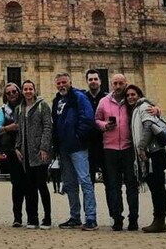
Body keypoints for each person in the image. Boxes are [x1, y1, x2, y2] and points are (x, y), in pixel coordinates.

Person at [52, 72, 98, 231]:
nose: (61, 85)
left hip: (78, 147)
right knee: (70, 184)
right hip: (64, 149)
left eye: (64, 82)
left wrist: (79, 136)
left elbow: (87, 118)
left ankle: (91, 217)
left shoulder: (79, 97)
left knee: (85, 181)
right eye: (58, 83)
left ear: (70, 82)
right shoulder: (57, 100)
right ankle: (75, 217)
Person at [94, 73, 139, 231]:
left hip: (128, 149)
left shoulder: (131, 100)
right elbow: (96, 120)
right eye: (115, 83)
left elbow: (145, 106)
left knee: (132, 185)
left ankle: (133, 218)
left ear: (125, 83)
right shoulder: (103, 101)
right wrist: (105, 125)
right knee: (113, 186)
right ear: (111, 85)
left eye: (121, 83)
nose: (118, 86)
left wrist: (156, 108)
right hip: (109, 149)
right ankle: (117, 218)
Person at [127, 84, 166, 233]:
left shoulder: (144, 107)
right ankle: (159, 220)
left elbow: (148, 126)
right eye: (128, 95)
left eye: (133, 94)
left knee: (158, 188)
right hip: (151, 153)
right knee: (156, 188)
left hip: (153, 154)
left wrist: (141, 147)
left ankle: (160, 221)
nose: (130, 97)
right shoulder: (138, 108)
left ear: (139, 94)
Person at [15, 79, 53, 229]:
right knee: (29, 187)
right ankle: (33, 217)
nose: (28, 91)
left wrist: (44, 148)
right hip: (25, 153)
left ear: (34, 90)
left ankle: (47, 217)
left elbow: (48, 127)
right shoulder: (20, 108)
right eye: (25, 89)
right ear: (22, 92)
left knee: (41, 185)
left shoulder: (42, 105)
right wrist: (17, 147)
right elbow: (19, 130)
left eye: (30, 89)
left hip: (39, 152)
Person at [0, 82, 25, 226]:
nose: (12, 94)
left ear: (19, 92)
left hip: (29, 149)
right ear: (5, 95)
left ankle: (32, 216)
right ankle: (17, 217)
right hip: (12, 151)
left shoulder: (29, 106)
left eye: (14, 91)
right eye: (9, 92)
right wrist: (8, 128)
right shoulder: (3, 110)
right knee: (17, 183)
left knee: (30, 184)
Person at [84, 69, 107, 184]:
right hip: (88, 145)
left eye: (95, 79)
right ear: (87, 81)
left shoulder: (108, 99)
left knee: (110, 182)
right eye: (90, 79)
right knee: (88, 183)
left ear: (100, 81)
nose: (93, 81)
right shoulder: (82, 99)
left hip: (106, 144)